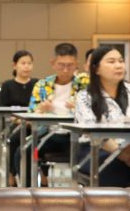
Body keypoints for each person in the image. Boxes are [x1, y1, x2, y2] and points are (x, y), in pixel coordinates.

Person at [74, 46, 130, 187]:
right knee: (115, 167)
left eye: (121, 61)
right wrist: (125, 157)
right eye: (111, 62)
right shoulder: (85, 97)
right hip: (96, 148)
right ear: (96, 69)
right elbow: (94, 134)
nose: (118, 65)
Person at [27, 43, 89, 182]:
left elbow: (96, 112)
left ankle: (83, 188)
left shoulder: (85, 84)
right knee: (25, 151)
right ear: (53, 63)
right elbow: (31, 115)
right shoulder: (42, 85)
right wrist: (40, 110)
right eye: (61, 65)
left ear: (76, 64)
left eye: (70, 65)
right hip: (50, 134)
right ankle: (30, 188)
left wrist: (79, 108)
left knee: (89, 153)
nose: (65, 70)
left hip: (78, 136)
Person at [0, 50, 37, 186]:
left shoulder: (37, 84)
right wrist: (20, 120)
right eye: (23, 63)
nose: (27, 66)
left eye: (29, 63)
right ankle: (11, 174)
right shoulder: (7, 85)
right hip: (14, 124)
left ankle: (42, 176)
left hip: (34, 124)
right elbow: (3, 109)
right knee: (15, 139)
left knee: (38, 141)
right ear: (14, 65)